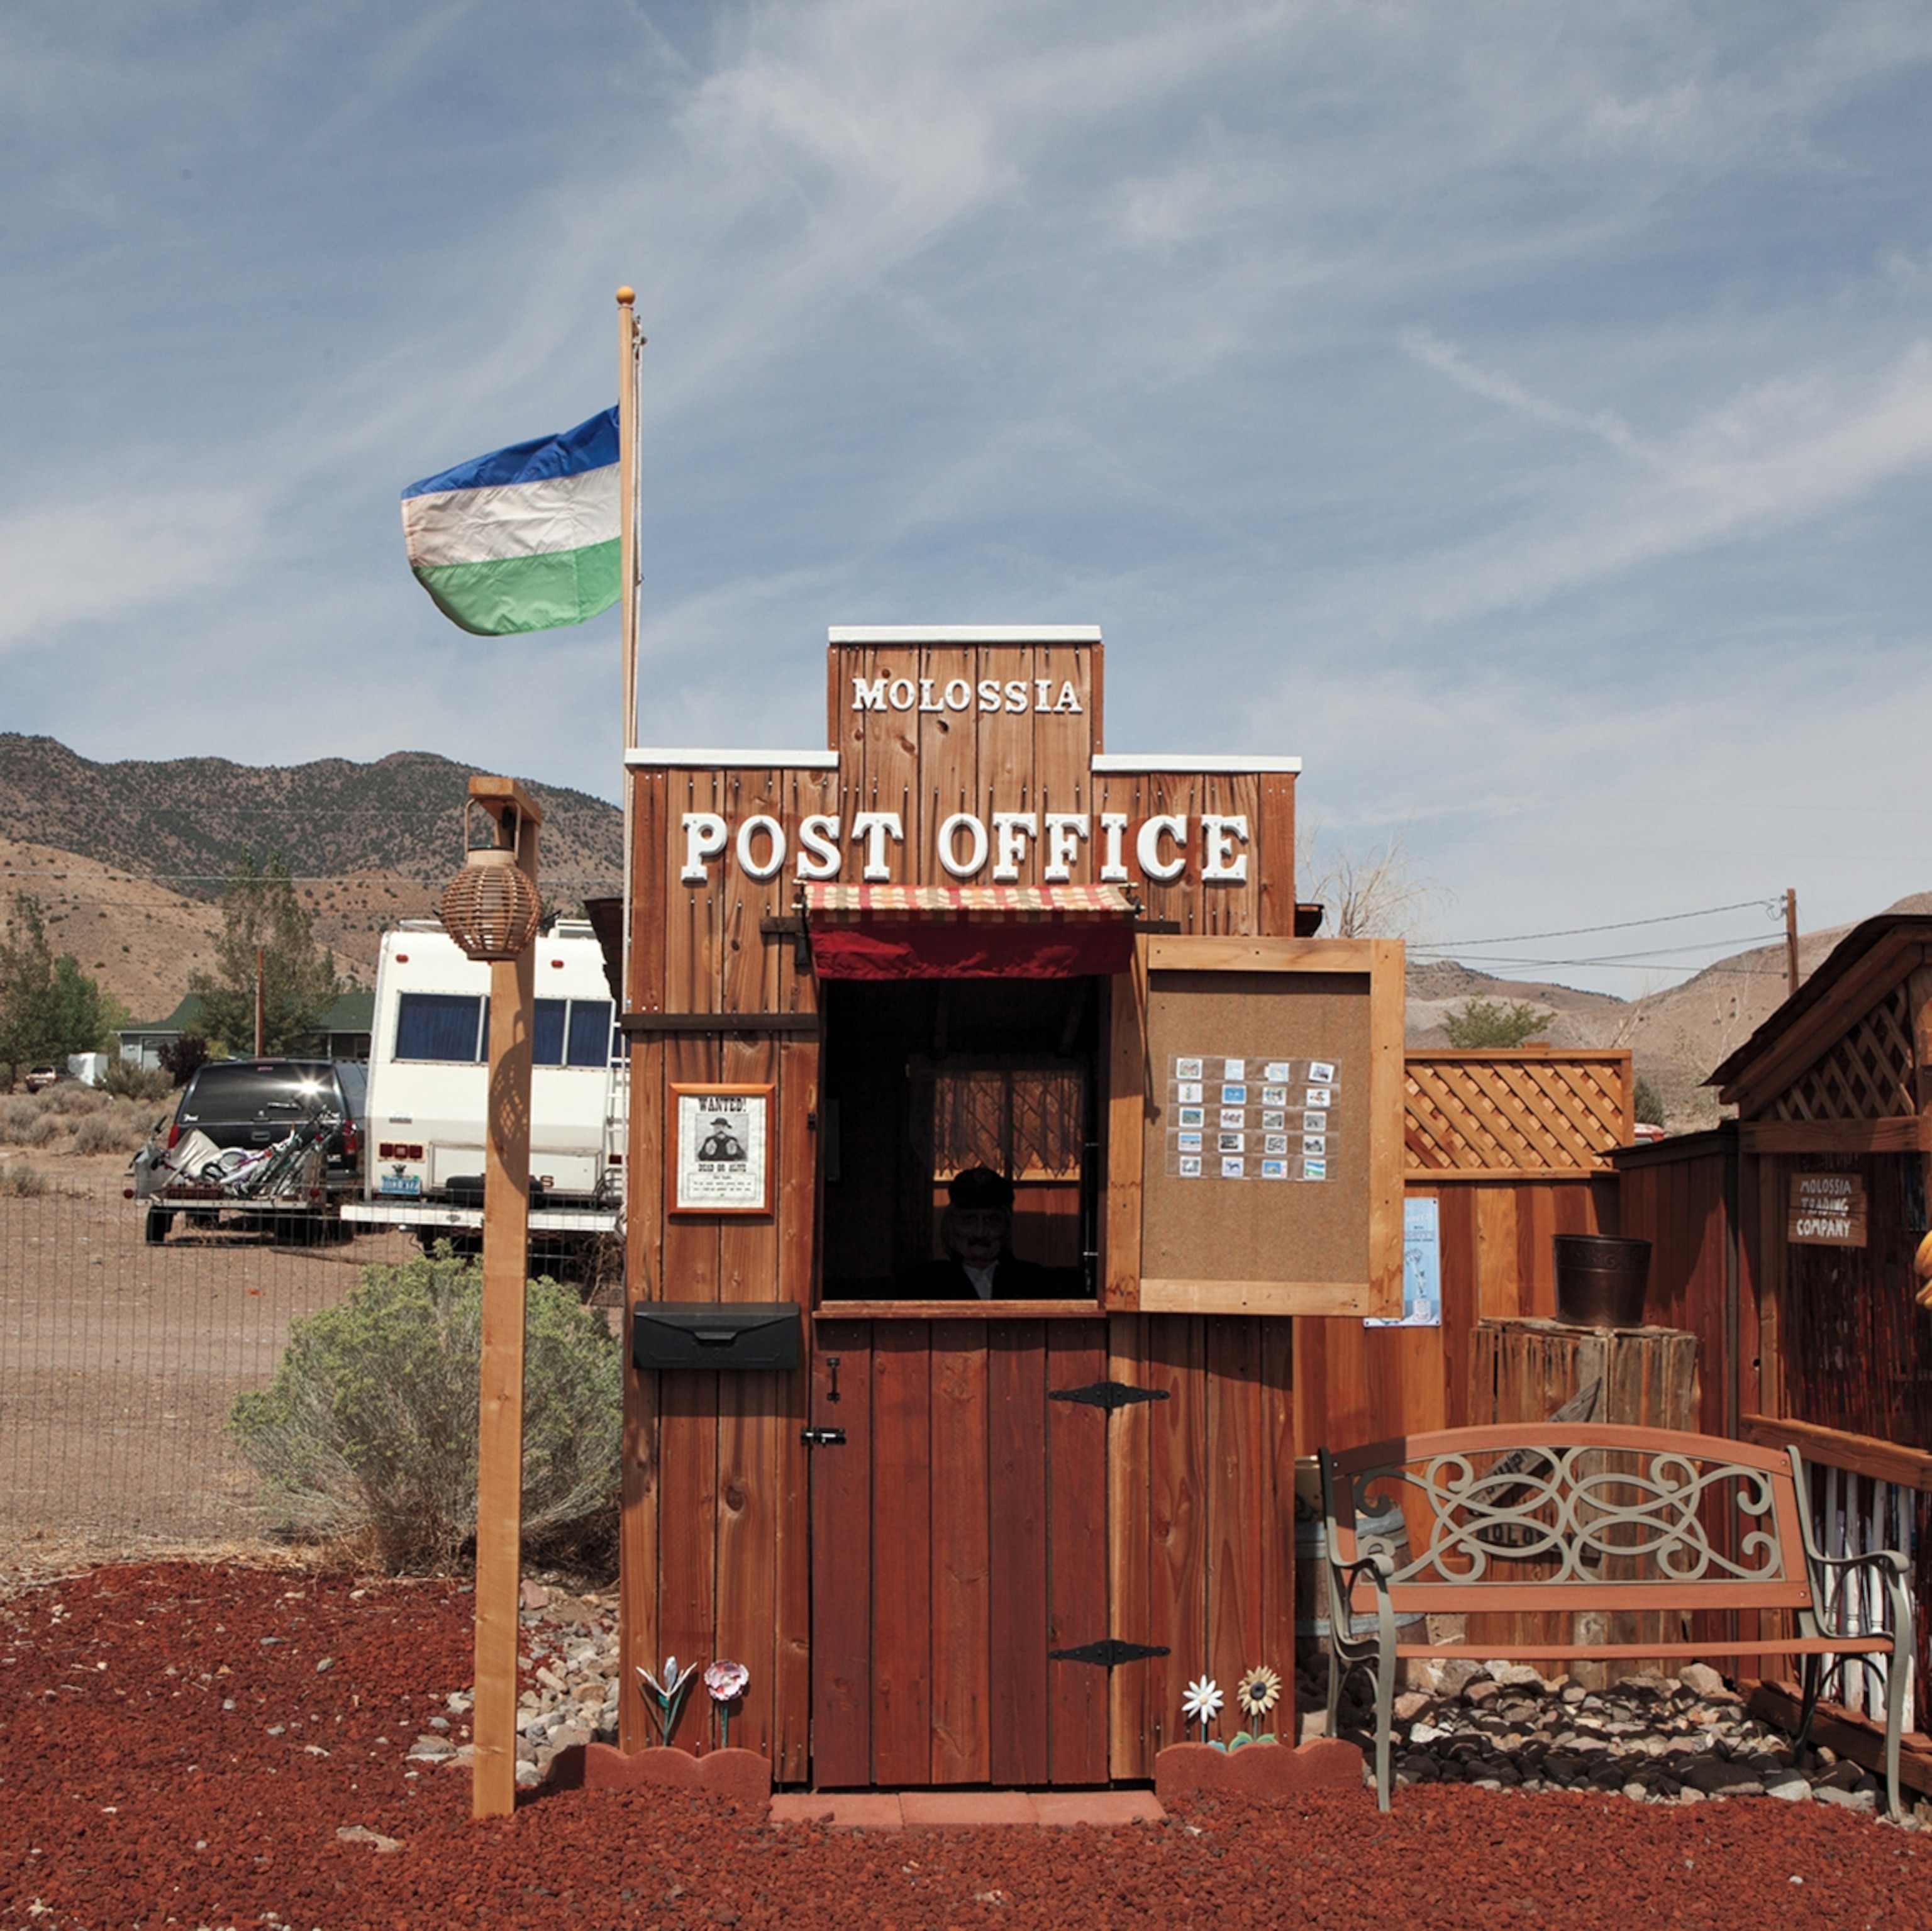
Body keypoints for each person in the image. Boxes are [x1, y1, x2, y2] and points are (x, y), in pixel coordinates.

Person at [911, 1166, 1058, 1300]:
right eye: (969, 1220)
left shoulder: (1034, 1281)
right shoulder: (924, 1284)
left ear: (1006, 1228)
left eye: (993, 1220)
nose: (980, 1233)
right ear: (950, 1227)